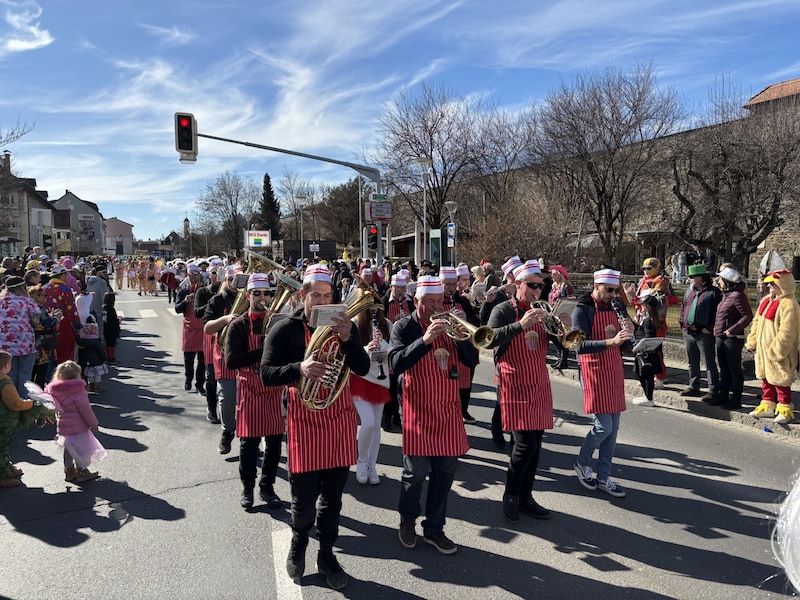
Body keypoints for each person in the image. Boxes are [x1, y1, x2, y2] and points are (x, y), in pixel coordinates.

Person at [260, 263, 370, 590]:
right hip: (304, 422)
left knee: (333, 499)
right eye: (316, 295)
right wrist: (299, 367)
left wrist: (349, 339)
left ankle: (326, 553)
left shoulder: (345, 326)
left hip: (337, 420)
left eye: (327, 295)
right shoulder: (284, 328)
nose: (322, 302)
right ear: (302, 295)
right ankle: (299, 542)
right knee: (304, 499)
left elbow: (362, 367)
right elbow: (266, 374)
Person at [389, 275, 479, 556]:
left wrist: (463, 334)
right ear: (416, 302)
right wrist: (426, 340)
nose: (437, 307)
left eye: (440, 301)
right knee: (415, 472)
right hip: (417, 409)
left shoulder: (451, 325)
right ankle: (407, 518)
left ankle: (435, 528)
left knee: (445, 474)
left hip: (448, 409)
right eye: (430, 302)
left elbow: (471, 360)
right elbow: (395, 362)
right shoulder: (404, 327)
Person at [486, 260, 553, 522]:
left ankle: (526, 496)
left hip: (539, 382)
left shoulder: (544, 310)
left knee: (536, 447)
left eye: (541, 286)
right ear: (517, 284)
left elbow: (564, 344)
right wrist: (521, 325)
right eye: (533, 286)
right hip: (514, 383)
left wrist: (563, 326)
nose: (538, 291)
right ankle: (511, 494)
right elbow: (488, 338)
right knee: (524, 445)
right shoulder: (503, 309)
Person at [572, 268, 634, 499]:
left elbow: (623, 345)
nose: (613, 295)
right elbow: (579, 346)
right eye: (609, 290)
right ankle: (582, 462)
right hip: (593, 371)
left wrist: (630, 337)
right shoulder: (583, 309)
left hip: (613, 370)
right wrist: (612, 340)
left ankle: (603, 475)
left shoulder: (616, 307)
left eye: (615, 291)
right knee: (603, 427)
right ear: (596, 286)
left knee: (614, 429)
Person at [224, 273, 284, 510]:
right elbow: (231, 361)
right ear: (248, 295)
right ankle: (247, 488)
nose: (262, 297)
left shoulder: (277, 322)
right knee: (249, 445)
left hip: (272, 389)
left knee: (274, 444)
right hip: (249, 389)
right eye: (257, 293)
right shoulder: (238, 325)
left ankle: (267, 487)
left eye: (266, 293)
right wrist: (263, 350)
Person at [746, 269, 799, 424]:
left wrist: (777, 350)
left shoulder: (789, 304)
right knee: (765, 377)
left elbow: (787, 331)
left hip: (778, 351)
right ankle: (768, 405)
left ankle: (785, 408)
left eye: (772, 284)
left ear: (782, 285)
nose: (768, 286)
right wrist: (753, 339)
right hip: (763, 349)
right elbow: (756, 322)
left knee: (781, 379)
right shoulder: (766, 300)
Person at [203, 263, 242, 454]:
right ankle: (227, 432)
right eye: (231, 279)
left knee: (249, 400)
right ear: (226, 280)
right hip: (225, 357)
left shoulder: (252, 297)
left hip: (247, 357)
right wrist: (225, 320)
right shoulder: (217, 301)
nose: (235, 283)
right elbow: (207, 327)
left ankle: (250, 436)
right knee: (227, 398)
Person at [350, 306, 392, 485]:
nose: (373, 308)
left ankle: (372, 465)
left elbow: (393, 352)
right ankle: (361, 461)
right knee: (367, 422)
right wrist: (368, 348)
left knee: (376, 426)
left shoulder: (388, 324)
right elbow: (350, 353)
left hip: (380, 380)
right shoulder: (354, 324)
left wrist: (382, 344)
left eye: (376, 304)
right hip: (360, 378)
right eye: (369, 304)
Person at [45, 360, 105, 483]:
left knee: (68, 449)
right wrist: (93, 424)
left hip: (63, 426)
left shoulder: (54, 391)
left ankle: (69, 471)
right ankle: (83, 471)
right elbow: (85, 410)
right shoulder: (78, 390)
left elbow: (53, 408)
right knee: (81, 449)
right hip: (78, 427)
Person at [439, 266, 480, 424]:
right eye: (447, 284)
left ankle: (464, 410)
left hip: (463, 345)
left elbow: (476, 323)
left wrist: (465, 319)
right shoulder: (436, 300)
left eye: (452, 284)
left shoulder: (462, 300)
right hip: (444, 346)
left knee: (465, 381)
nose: (450, 288)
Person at [679, 264, 722, 400]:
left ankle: (713, 389)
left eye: (692, 277)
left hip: (704, 333)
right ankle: (694, 386)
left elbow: (717, 312)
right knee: (692, 361)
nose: (690, 279)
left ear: (701, 278)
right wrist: (682, 324)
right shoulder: (689, 292)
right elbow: (683, 307)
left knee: (709, 362)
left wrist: (709, 328)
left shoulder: (713, 292)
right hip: (688, 332)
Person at [712, 266, 753, 410]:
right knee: (723, 368)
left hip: (732, 338)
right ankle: (723, 396)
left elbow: (747, 316)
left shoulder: (737, 296)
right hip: (720, 336)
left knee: (734, 368)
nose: (718, 282)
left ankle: (736, 399)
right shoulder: (726, 295)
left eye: (720, 279)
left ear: (727, 281)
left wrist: (732, 330)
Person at [0, 351, 41, 487]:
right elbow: (15, 404)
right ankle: (3, 476)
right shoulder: (5, 383)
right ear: (5, 366)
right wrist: (30, 403)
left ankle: (8, 467)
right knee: (2, 447)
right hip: (4, 420)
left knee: (4, 447)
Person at [0, 276, 41, 396]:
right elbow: (36, 322)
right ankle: (24, 405)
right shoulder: (27, 301)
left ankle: (11, 404)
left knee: (9, 375)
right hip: (25, 344)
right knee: (25, 376)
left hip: (5, 345)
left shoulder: (1, 302)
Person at [175, 264, 206, 395]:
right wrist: (185, 302)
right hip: (189, 328)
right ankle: (188, 377)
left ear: (200, 275)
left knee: (202, 360)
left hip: (203, 328)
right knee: (189, 358)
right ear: (187, 275)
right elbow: (177, 309)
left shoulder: (205, 291)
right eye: (191, 274)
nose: (193, 276)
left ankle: (200, 384)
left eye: (196, 273)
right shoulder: (183, 291)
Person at [630, 295, 664, 407]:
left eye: (643, 305)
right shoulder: (650, 319)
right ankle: (646, 396)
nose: (641, 307)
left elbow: (647, 336)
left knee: (646, 376)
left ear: (647, 307)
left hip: (645, 353)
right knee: (642, 375)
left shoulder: (648, 321)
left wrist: (639, 345)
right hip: (645, 352)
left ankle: (649, 398)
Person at [43, 264, 81, 364]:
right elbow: (72, 310)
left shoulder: (44, 288)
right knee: (66, 353)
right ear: (63, 274)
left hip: (47, 324)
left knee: (52, 354)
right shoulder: (65, 289)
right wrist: (77, 326)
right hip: (64, 324)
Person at [28, 285, 61, 387]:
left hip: (31, 342)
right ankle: (38, 397)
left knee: (31, 373)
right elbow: (47, 323)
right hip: (41, 344)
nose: (46, 298)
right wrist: (56, 319)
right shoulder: (39, 309)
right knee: (41, 373)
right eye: (44, 295)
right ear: (37, 296)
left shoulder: (28, 308)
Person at [547, 264, 576, 370]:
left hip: (563, 315)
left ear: (560, 274)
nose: (552, 276)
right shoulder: (553, 286)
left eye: (554, 274)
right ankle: (560, 358)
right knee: (553, 335)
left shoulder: (567, 286)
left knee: (562, 337)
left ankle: (563, 360)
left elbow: (572, 300)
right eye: (551, 274)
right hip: (552, 314)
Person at [77, 316, 107, 394]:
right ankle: (98, 385)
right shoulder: (96, 341)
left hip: (87, 360)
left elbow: (78, 342)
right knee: (97, 374)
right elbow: (100, 350)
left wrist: (77, 335)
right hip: (97, 360)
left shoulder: (84, 340)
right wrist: (104, 358)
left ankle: (91, 385)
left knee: (90, 373)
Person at [102, 292, 121, 364]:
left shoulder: (104, 308)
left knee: (107, 343)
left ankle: (108, 357)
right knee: (112, 344)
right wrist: (119, 320)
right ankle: (112, 357)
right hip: (112, 329)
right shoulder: (111, 308)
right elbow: (113, 319)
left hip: (106, 328)